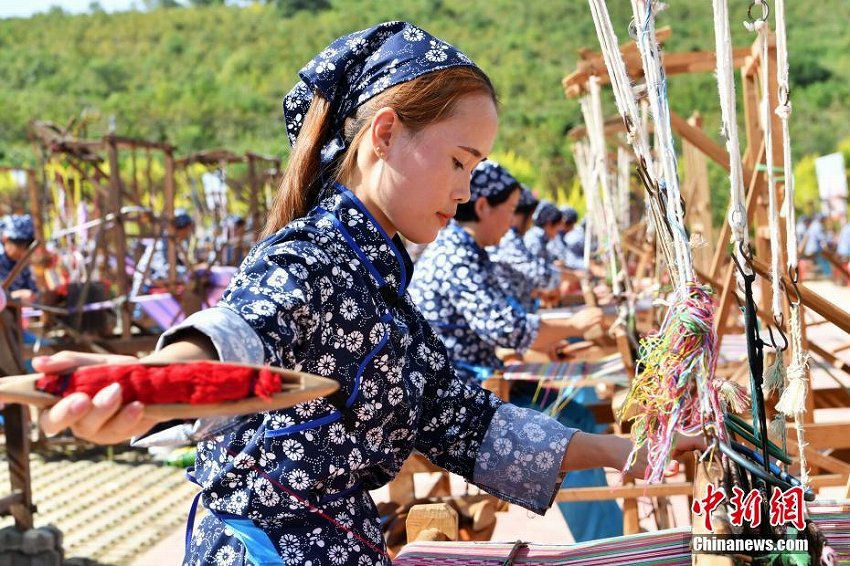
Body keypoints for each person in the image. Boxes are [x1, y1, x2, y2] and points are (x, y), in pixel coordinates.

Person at [35, 22, 701, 565]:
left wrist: (626, 452)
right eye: (459, 161)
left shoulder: (380, 283)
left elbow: (466, 423)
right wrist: (148, 383)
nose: (467, 191)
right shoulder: (313, 259)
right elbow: (238, 332)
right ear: (384, 134)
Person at [408, 160, 624, 541]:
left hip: (477, 378)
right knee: (570, 430)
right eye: (507, 212)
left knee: (579, 419)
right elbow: (504, 326)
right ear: (482, 207)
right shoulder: (455, 253)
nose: (511, 224)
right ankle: (606, 548)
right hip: (456, 395)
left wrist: (552, 338)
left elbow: (503, 320)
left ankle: (607, 542)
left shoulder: (470, 251)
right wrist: (573, 325)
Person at [487, 182, 559, 313]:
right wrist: (571, 276)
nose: (531, 222)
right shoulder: (507, 238)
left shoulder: (515, 238)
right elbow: (540, 275)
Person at [0, 214, 38, 305]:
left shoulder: (21, 263)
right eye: (20, 244)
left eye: (28, 245)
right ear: (5, 239)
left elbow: (33, 291)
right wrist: (14, 296)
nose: (23, 250)